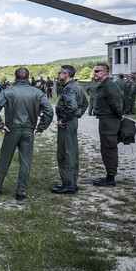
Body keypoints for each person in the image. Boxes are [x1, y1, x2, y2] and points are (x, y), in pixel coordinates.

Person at [0, 67, 53, 201]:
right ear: (28, 78)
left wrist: (0, 125)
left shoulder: (8, 91)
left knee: (5, 158)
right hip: (29, 130)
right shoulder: (37, 92)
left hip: (12, 129)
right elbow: (49, 111)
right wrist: (40, 128)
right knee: (26, 160)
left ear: (15, 78)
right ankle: (21, 191)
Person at [52, 65, 88, 195]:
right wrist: (76, 116)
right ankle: (72, 182)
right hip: (72, 121)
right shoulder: (77, 86)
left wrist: (65, 120)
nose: (58, 74)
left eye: (60, 73)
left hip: (67, 124)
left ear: (66, 74)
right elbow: (84, 104)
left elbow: (72, 107)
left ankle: (68, 185)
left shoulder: (69, 88)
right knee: (72, 151)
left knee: (65, 152)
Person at [92, 63, 123, 187]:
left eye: (97, 71)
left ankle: (110, 178)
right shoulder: (104, 85)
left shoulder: (109, 85)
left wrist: (120, 116)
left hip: (109, 120)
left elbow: (115, 103)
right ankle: (109, 176)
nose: (94, 73)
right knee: (106, 148)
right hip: (106, 120)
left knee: (109, 149)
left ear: (104, 73)